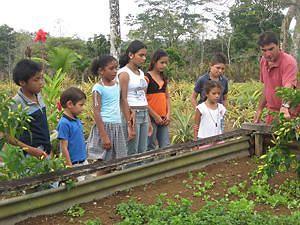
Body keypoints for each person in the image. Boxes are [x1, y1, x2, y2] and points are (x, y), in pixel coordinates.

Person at [87, 55, 130, 161]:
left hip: (117, 125)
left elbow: (122, 102)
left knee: (116, 161)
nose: (115, 71)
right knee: (104, 163)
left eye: (116, 68)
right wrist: (104, 135)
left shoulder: (117, 85)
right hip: (105, 127)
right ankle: (100, 178)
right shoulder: (98, 88)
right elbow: (96, 112)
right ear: (101, 71)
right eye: (111, 68)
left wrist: (129, 122)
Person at [254, 31, 298, 124]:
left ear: (279, 46)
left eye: (271, 49)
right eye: (264, 50)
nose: (268, 54)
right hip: (272, 112)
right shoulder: (263, 61)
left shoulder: (289, 62)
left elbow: (289, 86)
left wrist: (285, 106)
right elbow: (267, 87)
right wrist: (259, 109)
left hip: (290, 112)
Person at [10, 59, 50, 158]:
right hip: (29, 158)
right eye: (36, 80)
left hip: (45, 153)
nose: (41, 83)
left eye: (41, 78)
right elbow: (6, 135)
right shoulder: (15, 103)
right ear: (22, 82)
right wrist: (31, 150)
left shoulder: (39, 95)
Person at [118, 40, 152, 156]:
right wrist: (129, 123)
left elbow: (143, 96)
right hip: (132, 113)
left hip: (143, 113)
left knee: (142, 150)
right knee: (131, 150)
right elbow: (123, 99)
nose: (144, 58)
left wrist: (148, 119)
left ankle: (141, 173)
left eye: (145, 56)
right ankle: (128, 173)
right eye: (141, 55)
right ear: (131, 55)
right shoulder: (124, 73)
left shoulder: (141, 73)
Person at [145, 49, 171, 150]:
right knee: (150, 145)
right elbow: (142, 100)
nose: (164, 65)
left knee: (165, 145)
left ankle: (164, 164)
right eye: (162, 62)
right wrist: (155, 116)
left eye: (166, 63)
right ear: (154, 62)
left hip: (163, 117)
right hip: (151, 118)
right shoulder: (146, 78)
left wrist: (168, 114)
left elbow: (167, 97)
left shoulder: (163, 78)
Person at [57, 87, 88, 167]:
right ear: (70, 104)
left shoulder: (76, 119)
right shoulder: (64, 123)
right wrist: (69, 167)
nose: (83, 108)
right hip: (74, 165)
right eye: (81, 105)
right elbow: (64, 148)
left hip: (83, 161)